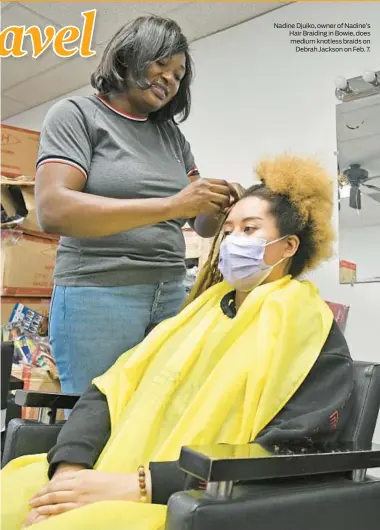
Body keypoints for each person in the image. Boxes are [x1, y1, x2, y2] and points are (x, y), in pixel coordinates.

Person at [2, 155, 354, 530]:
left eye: (250, 229)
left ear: (289, 247)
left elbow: (289, 450)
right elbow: (110, 390)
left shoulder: (306, 327)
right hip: (104, 470)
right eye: (229, 230)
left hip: (185, 497)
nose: (234, 241)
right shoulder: (197, 314)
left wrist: (139, 485)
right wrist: (69, 471)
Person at [35, 15, 241, 395]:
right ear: (129, 56)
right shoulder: (77, 115)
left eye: (179, 75)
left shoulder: (172, 138)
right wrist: (171, 206)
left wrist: (218, 202)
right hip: (99, 296)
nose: (170, 79)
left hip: (169, 293)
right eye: (162, 64)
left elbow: (202, 223)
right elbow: (53, 210)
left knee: (155, 420)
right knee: (96, 425)